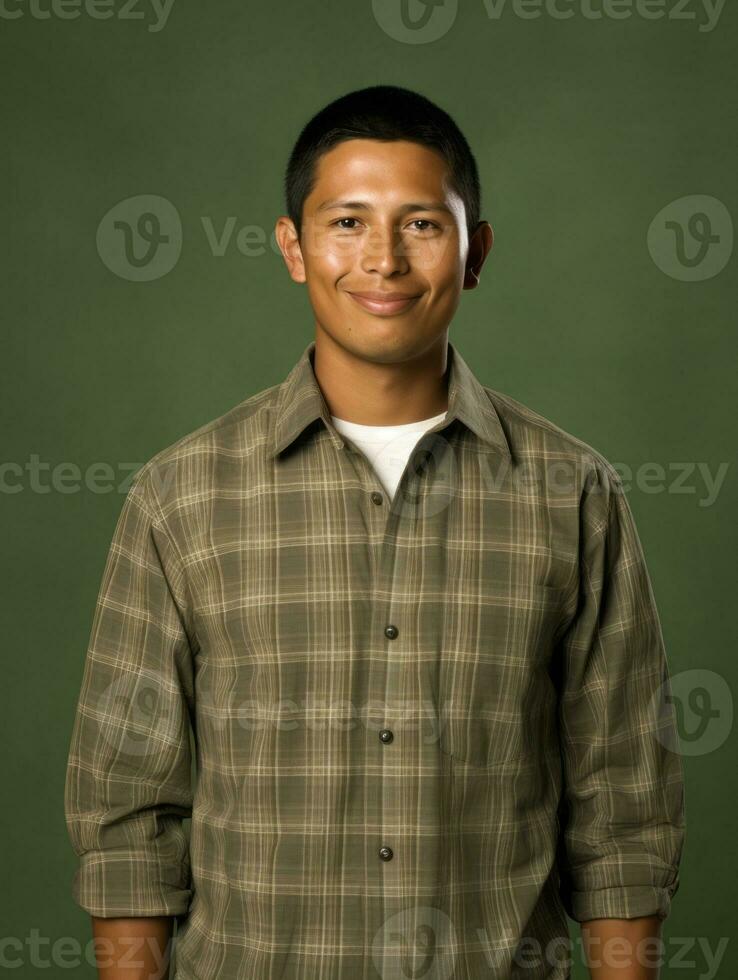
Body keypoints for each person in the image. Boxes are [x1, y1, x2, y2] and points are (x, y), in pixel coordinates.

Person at [64, 84, 685, 980]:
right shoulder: (180, 497)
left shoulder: (573, 491)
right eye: (347, 223)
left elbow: (625, 804)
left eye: (423, 224)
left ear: (475, 254)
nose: (383, 261)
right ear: (293, 248)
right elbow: (127, 815)